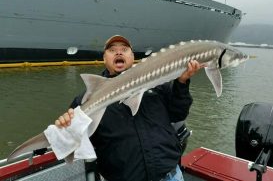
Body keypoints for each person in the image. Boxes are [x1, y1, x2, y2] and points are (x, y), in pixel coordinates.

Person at [55, 35, 203, 181]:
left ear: (132, 57)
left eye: (124, 49)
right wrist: (65, 126)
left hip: (170, 176)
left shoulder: (159, 84)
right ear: (104, 58)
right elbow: (72, 142)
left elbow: (178, 114)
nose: (119, 52)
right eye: (112, 50)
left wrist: (182, 83)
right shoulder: (86, 99)